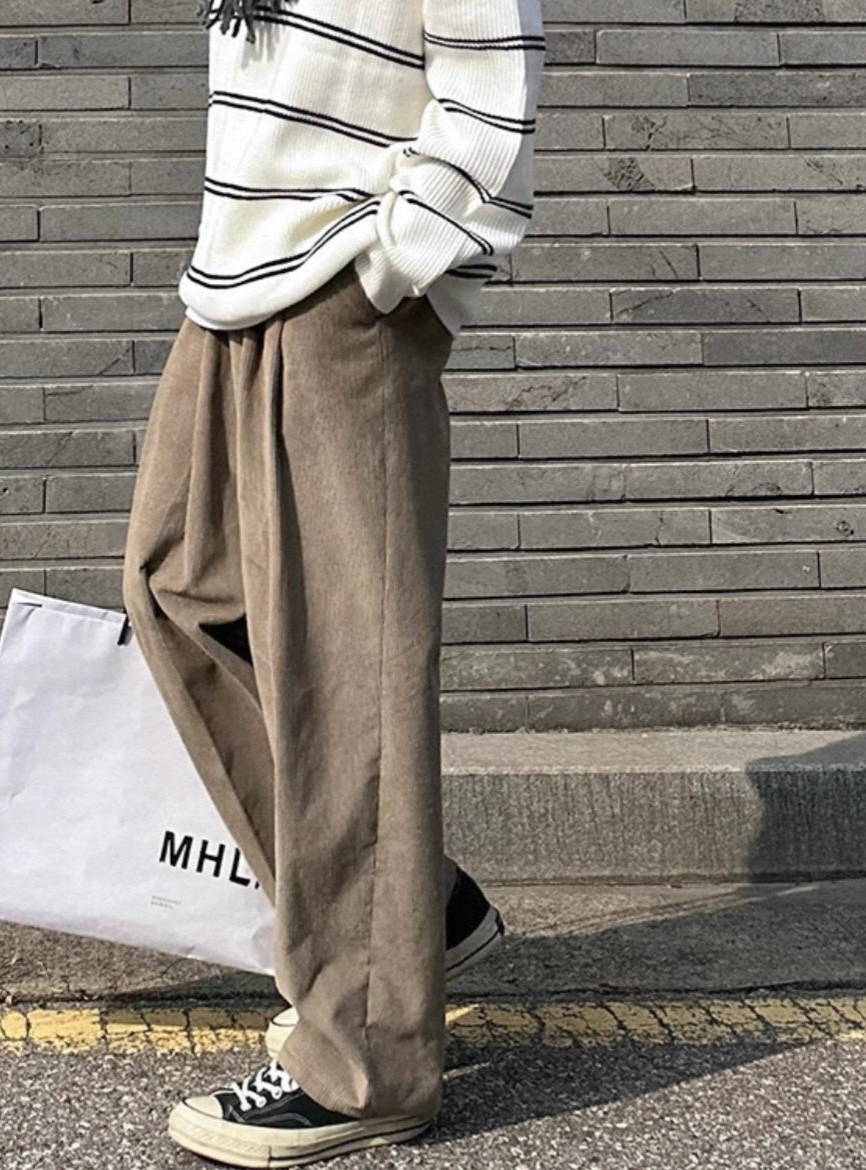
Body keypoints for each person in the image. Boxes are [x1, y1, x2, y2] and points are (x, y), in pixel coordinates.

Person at [121, 0, 544, 1163]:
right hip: (232, 282)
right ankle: (414, 911)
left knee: (350, 674)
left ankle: (365, 1063)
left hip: (341, 289)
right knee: (176, 587)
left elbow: (493, 80)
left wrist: (390, 265)